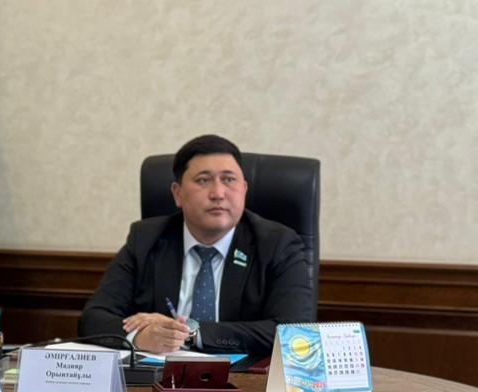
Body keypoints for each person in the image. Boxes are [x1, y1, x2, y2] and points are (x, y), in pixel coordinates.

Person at [78, 134, 313, 360]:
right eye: (203, 180)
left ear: (244, 190)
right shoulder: (146, 239)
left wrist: (192, 332)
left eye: (229, 180)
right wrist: (140, 337)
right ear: (177, 194)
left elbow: (294, 332)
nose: (218, 193)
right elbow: (93, 319)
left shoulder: (278, 244)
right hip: (159, 379)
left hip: (244, 380)